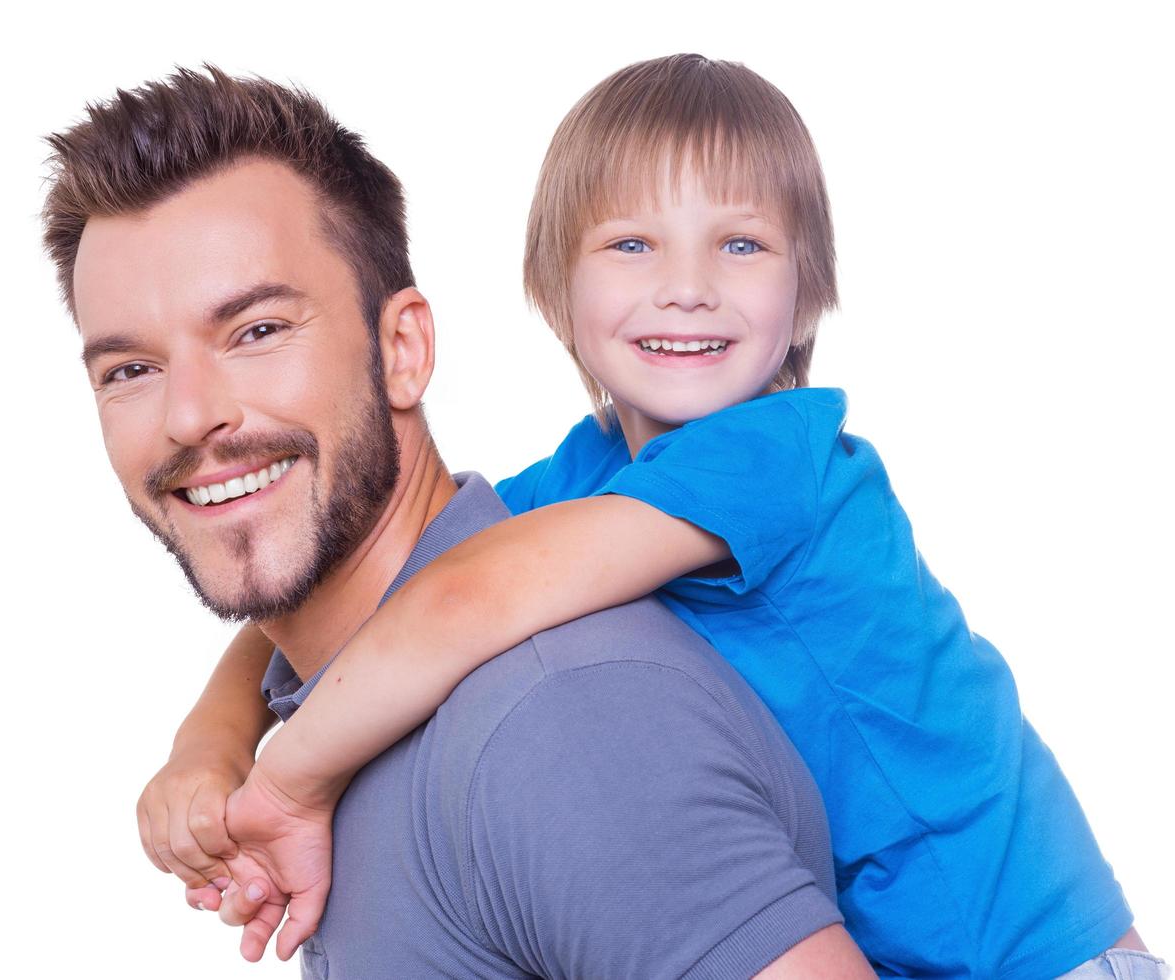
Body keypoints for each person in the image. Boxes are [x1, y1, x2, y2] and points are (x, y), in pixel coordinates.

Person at [135, 56, 1167, 979]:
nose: (685, 289)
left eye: (741, 245)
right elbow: (394, 593)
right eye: (631, 244)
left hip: (1037, 955)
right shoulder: (591, 478)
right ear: (553, 289)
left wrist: (288, 781)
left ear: (805, 294)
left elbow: (463, 595)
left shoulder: (778, 457)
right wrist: (208, 743)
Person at [41, 64, 874, 977]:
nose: (190, 415)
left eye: (258, 332)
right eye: (129, 370)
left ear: (402, 351)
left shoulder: (555, 719)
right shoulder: (470, 615)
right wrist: (212, 739)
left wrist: (280, 779)